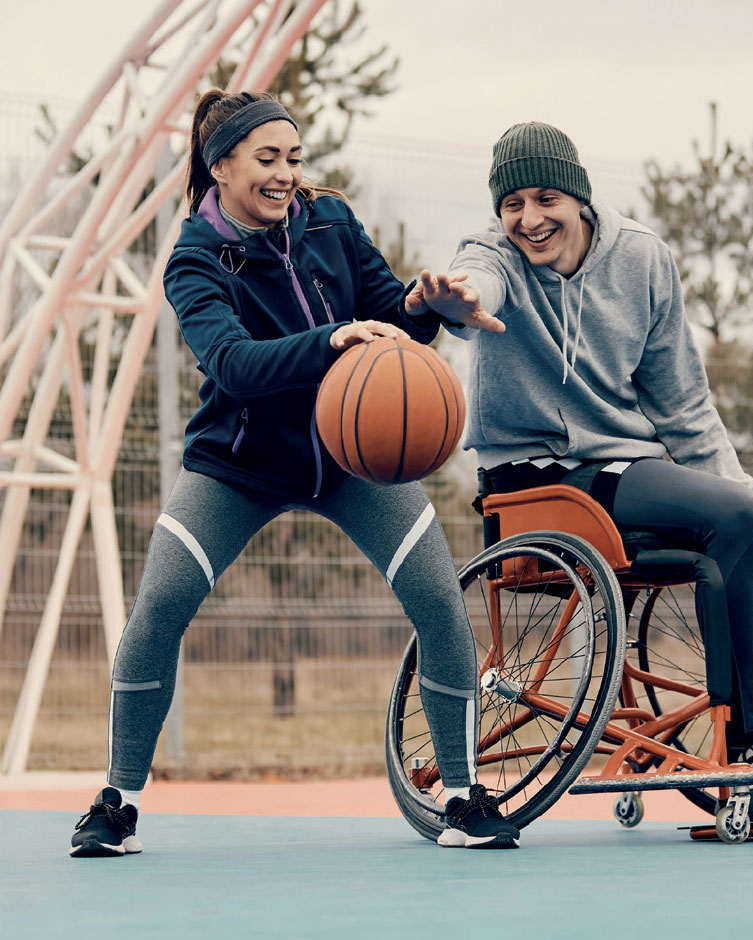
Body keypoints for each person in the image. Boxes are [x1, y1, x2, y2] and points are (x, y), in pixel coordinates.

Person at [69, 91, 518, 857]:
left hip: (352, 458)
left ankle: (462, 796)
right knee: (160, 607)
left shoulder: (331, 221)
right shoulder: (196, 258)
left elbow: (389, 315)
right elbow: (235, 366)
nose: (286, 175)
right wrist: (332, 338)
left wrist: (424, 302)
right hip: (238, 465)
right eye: (268, 159)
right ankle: (118, 801)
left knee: (441, 604)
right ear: (221, 166)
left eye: (295, 158)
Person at [407, 121, 753, 772]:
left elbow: (686, 408)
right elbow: (478, 279)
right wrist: (461, 299)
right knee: (729, 516)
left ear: (579, 197)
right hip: (531, 481)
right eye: (511, 205)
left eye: (544, 200)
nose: (528, 219)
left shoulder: (642, 259)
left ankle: (738, 729)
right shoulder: (492, 253)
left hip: (619, 470)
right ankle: (747, 749)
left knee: (735, 519)